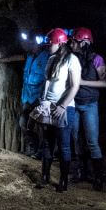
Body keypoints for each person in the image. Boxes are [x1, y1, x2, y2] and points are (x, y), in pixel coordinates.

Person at [0, 32, 49, 158]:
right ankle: (32, 147)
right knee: (23, 123)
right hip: (27, 97)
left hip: (40, 97)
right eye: (28, 43)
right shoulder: (29, 56)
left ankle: (43, 151)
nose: (28, 45)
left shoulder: (48, 57)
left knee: (42, 125)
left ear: (39, 44)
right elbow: (17, 57)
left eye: (31, 43)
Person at [36, 28, 81, 192]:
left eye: (51, 43)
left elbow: (74, 85)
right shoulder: (51, 59)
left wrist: (62, 106)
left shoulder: (71, 59)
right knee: (47, 143)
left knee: (64, 146)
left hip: (64, 107)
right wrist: (43, 101)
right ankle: (45, 177)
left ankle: (63, 180)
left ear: (60, 43)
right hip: (48, 106)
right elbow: (47, 82)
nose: (48, 45)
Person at [68, 27, 106, 190]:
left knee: (92, 141)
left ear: (84, 42)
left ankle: (98, 177)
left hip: (90, 104)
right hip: (75, 103)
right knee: (76, 139)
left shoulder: (97, 59)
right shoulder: (72, 58)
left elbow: (104, 82)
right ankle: (81, 173)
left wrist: (81, 83)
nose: (72, 43)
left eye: (75, 41)